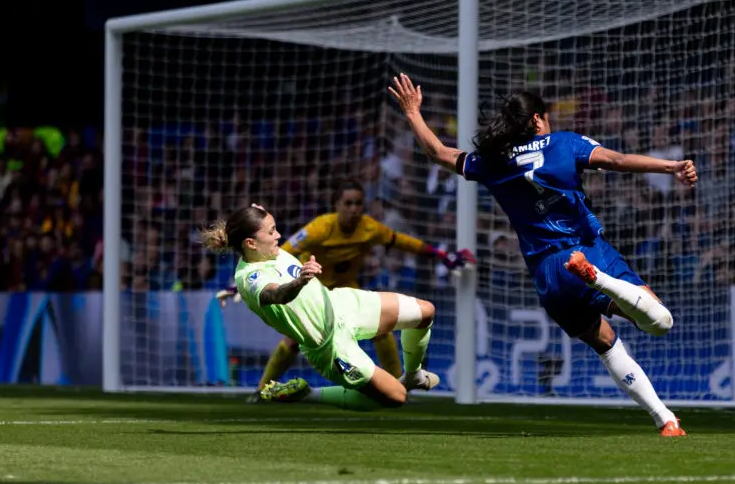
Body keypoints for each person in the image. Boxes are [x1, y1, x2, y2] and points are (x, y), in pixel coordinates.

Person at [389, 74, 697, 436]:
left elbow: (438, 152)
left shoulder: (493, 161)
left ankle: (666, 420)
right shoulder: (564, 144)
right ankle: (598, 279)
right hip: (585, 252)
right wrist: (671, 166)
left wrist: (412, 112)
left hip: (547, 275)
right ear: (536, 119)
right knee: (660, 322)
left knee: (606, 343)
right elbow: (616, 159)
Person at [218, 180, 473, 403]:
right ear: (336, 204)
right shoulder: (316, 230)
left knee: (425, 311)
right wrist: (295, 281)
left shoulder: (369, 227)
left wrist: (442, 255)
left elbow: (401, 241)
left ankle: (411, 374)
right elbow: (274, 286)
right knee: (396, 398)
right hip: (323, 333)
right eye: (348, 203)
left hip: (341, 299)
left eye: (358, 203)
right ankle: (275, 390)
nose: (354, 209)